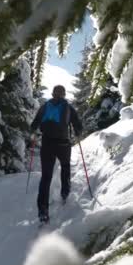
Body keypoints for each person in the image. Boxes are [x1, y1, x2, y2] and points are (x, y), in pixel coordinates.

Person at [30, 85, 82, 224]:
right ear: (64, 94)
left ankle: (43, 210)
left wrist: (34, 130)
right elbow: (77, 124)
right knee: (65, 166)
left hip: (47, 144)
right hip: (63, 144)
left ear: (53, 94)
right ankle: (65, 193)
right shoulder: (68, 107)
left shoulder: (45, 106)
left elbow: (34, 124)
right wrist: (77, 132)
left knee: (46, 176)